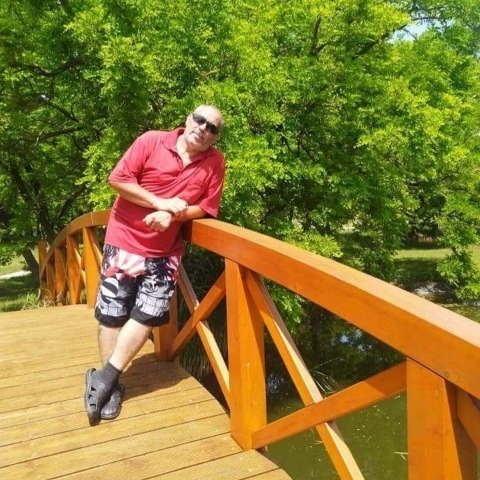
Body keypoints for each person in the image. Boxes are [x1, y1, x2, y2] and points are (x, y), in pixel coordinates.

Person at [83, 105, 225, 426]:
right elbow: (117, 179)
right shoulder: (151, 140)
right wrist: (159, 202)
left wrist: (173, 214)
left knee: (147, 314)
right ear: (188, 119)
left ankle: (105, 378)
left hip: (165, 252)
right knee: (113, 315)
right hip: (125, 241)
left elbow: (206, 207)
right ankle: (112, 387)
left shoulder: (215, 162)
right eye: (200, 120)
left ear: (216, 137)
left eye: (212, 128)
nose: (204, 129)